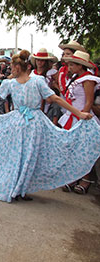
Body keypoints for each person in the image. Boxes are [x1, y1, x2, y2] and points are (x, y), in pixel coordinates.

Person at [0, 50, 100, 203]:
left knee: (25, 156)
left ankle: (20, 188)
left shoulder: (33, 81)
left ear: (19, 67)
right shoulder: (14, 83)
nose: (11, 69)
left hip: (27, 122)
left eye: (13, 66)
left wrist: (79, 114)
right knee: (22, 156)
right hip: (26, 123)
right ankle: (18, 188)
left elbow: (54, 98)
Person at [59, 51, 100, 194]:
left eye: (71, 65)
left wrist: (82, 118)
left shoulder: (88, 79)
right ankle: (74, 176)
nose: (69, 67)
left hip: (83, 117)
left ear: (80, 66)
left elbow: (88, 101)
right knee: (73, 149)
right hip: (74, 115)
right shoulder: (77, 78)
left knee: (84, 150)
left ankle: (86, 179)